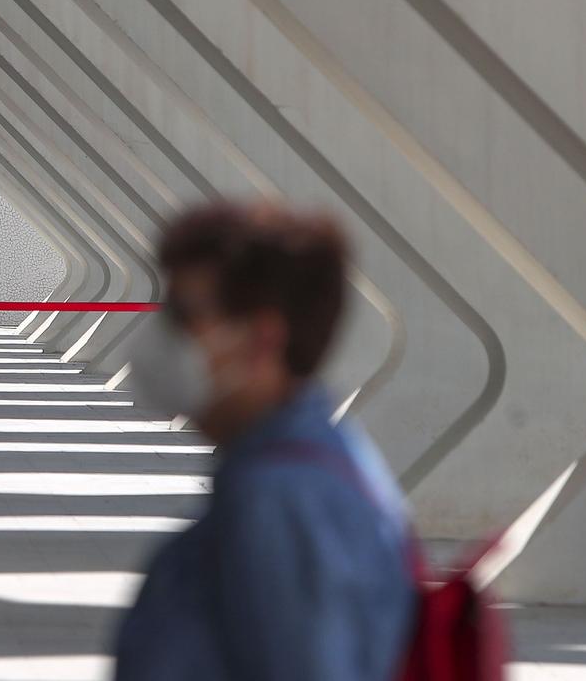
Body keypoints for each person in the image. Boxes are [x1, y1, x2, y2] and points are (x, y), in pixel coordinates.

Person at [115, 200, 416, 681]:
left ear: (261, 339)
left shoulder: (280, 499)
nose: (166, 336)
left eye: (187, 315)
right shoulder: (306, 466)